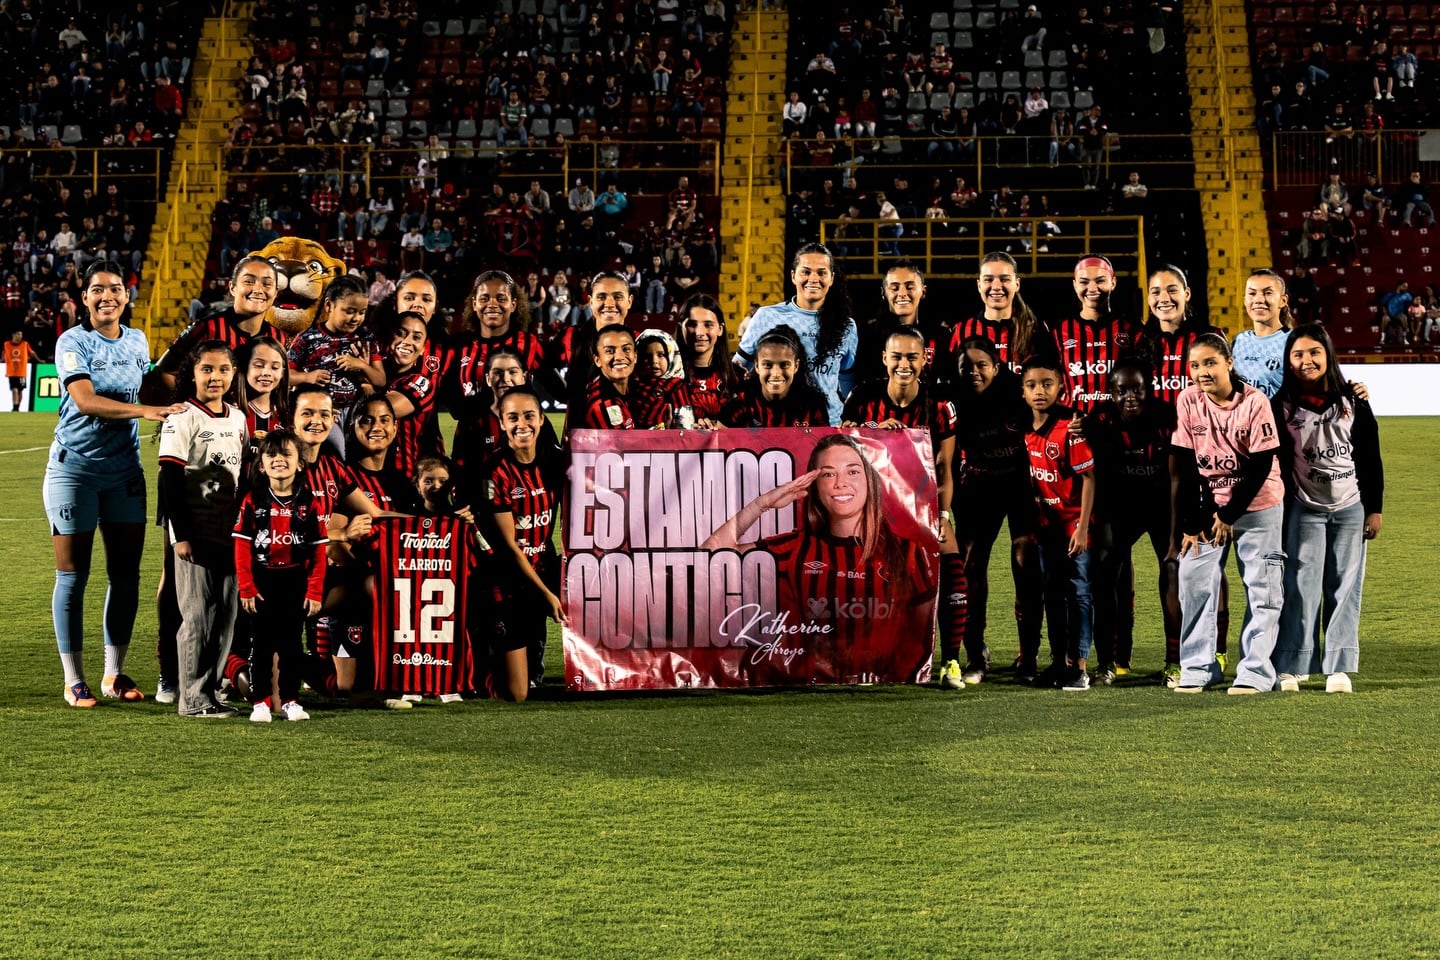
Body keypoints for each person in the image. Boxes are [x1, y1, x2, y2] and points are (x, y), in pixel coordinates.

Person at [45, 261, 187, 708]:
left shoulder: (138, 339)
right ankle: (74, 679)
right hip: (75, 470)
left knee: (125, 576)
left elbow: (149, 384)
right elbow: (85, 400)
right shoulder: (73, 341)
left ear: (127, 297)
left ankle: (113, 673)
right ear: (84, 298)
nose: (107, 296)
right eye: (97, 290)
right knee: (73, 575)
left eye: (115, 289)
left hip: (124, 472)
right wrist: (146, 412)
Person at [701, 433, 936, 683]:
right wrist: (761, 504)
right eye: (828, 474)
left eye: (853, 472)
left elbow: (919, 640)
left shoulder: (907, 552)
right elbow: (709, 554)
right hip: (811, 692)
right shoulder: (795, 548)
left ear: (870, 480)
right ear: (815, 485)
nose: (840, 483)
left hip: (884, 693)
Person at [842, 327, 965, 687]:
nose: (904, 364)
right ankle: (863, 660)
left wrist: (942, 516)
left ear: (925, 359)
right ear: (884, 358)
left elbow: (945, 468)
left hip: (923, 505)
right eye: (896, 356)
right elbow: (843, 450)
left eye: (912, 356)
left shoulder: (940, 404)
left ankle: (951, 663)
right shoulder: (863, 396)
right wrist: (875, 434)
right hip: (872, 509)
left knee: (953, 568)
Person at [1272, 325, 1384, 694]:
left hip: (1351, 507)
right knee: (1300, 587)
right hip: (1304, 508)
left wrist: (1375, 508)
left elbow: (1370, 456)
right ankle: (1293, 664)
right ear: (1289, 360)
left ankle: (1338, 667)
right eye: (1298, 354)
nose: (1307, 361)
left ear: (1328, 355)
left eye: (1314, 352)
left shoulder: (1353, 399)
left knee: (1345, 587)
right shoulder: (1281, 404)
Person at [1172, 334, 1286, 694]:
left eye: (1209, 363)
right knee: (1192, 580)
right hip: (1210, 509)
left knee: (1263, 588)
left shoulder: (1255, 402)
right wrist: (1193, 523)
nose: (1202, 372)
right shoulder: (1188, 400)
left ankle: (1255, 671)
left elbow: (1261, 463)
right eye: (1194, 365)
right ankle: (1198, 667)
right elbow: (1187, 464)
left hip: (1258, 505)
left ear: (1229, 363)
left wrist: (1231, 515)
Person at [157, 341, 247, 717]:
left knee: (226, 612)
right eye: (206, 369)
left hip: (229, 529)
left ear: (232, 374)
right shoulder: (182, 418)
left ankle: (210, 689)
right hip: (194, 529)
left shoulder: (238, 417)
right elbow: (169, 481)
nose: (215, 377)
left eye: (223, 370)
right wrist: (180, 536)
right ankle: (192, 698)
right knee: (197, 614)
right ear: (192, 374)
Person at [951, 336, 1044, 682]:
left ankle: (1028, 658)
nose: (974, 372)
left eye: (981, 365)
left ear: (997, 366)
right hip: (978, 485)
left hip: (1020, 484)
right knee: (970, 564)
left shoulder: (1015, 392)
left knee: (1025, 559)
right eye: (967, 367)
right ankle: (976, 655)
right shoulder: (954, 398)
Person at [1085, 358, 1181, 685]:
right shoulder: (1098, 420)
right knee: (1104, 571)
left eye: (1137, 389)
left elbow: (1176, 474)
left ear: (1149, 390)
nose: (1130, 396)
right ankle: (1107, 663)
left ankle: (1175, 661)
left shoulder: (1167, 416)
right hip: (1119, 507)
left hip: (1160, 505)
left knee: (1172, 568)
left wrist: (1177, 526)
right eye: (1121, 390)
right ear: (1110, 393)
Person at [233, 429, 328, 722]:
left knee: (291, 645)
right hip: (262, 582)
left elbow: (319, 552)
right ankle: (260, 701)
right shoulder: (253, 500)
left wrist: (313, 591)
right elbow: (241, 545)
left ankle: (290, 700)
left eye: (286, 454)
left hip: (294, 583)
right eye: (271, 455)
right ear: (261, 464)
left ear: (300, 462)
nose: (278, 460)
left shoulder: (309, 503)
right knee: (261, 644)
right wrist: (246, 587)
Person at [479, 387, 566, 697]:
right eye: (512, 417)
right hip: (507, 578)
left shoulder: (555, 461)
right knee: (516, 693)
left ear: (542, 420)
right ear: (501, 423)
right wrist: (546, 594)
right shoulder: (495, 472)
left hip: (542, 566)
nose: (522, 424)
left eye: (529, 416)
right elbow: (508, 548)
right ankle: (478, 670)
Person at [1019, 357, 1098, 690]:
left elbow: (1091, 478)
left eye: (1047, 384)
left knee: (1079, 592)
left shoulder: (1070, 428)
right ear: (1022, 391)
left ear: (1061, 388)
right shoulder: (1022, 428)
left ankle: (1079, 666)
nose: (1040, 391)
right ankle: (1057, 662)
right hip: (1046, 528)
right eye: (1032, 385)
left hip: (1074, 527)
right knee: (1052, 593)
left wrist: (1082, 527)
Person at [734, 243, 858, 425]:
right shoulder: (767, 316)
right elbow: (738, 367)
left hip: (830, 424)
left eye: (822, 272)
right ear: (793, 276)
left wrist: (850, 415)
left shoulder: (847, 326)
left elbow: (846, 378)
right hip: (776, 425)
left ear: (831, 278)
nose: (814, 278)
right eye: (806, 272)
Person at [151, 256, 281, 396]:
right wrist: (199, 407)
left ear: (275, 293)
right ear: (232, 287)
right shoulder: (208, 327)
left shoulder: (278, 336)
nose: (258, 289)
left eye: (267, 284)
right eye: (249, 281)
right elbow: (161, 373)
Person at [286, 274, 386, 451]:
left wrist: (361, 365)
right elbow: (284, 376)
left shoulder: (366, 338)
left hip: (357, 415)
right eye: (349, 311)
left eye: (362, 312)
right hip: (323, 416)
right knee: (336, 456)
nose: (356, 318)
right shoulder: (307, 338)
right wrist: (308, 377)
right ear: (329, 305)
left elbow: (380, 380)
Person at [1053, 255, 1143, 413]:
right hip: (1073, 428)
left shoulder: (1131, 328)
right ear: (1075, 285)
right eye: (1084, 282)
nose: (1093, 288)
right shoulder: (1059, 331)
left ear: (1113, 282)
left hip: (1120, 429)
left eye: (1100, 281)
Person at [946, 251, 1055, 376]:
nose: (996, 286)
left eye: (1004, 279)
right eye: (988, 279)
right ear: (979, 285)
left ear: (1017, 284)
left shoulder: (1035, 329)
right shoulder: (961, 330)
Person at [1136, 264, 1224, 407]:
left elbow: (1225, 390)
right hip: (1153, 428)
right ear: (1148, 298)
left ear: (1187, 294)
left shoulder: (1210, 337)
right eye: (1156, 293)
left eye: (1172, 291)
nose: (1164, 298)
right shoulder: (1139, 339)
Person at [859, 260, 953, 386]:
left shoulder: (941, 336)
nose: (902, 293)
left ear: (923, 291)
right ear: (883, 293)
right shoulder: (868, 336)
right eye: (894, 288)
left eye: (910, 287)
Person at [719, 324, 830, 427]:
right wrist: (705, 430)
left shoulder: (813, 404)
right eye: (767, 365)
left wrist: (845, 428)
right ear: (757, 366)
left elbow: (825, 445)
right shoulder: (742, 403)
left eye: (784, 365)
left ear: (796, 366)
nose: (776, 373)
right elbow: (717, 439)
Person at [568, 324, 670, 434]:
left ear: (635, 356)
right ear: (597, 360)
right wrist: (663, 430)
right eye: (610, 351)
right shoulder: (603, 404)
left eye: (626, 349)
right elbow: (625, 447)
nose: (619, 357)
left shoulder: (635, 387)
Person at [381, 310, 443, 477]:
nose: (407, 341)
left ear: (423, 349)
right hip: (364, 477)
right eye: (400, 333)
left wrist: (364, 383)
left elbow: (380, 411)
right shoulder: (376, 373)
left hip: (405, 478)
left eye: (416, 337)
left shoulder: (422, 383)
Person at [346, 394, 423, 515]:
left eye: (384, 420)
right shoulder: (343, 476)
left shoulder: (402, 481)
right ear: (352, 428)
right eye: (366, 421)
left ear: (394, 428)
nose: (376, 427)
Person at [670, 293, 740, 427]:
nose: (699, 332)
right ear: (681, 327)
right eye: (692, 324)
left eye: (708, 325)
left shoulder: (737, 376)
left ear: (720, 329)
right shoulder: (666, 377)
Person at [1233, 269, 1293, 398]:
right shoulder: (1239, 340)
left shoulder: (1293, 341)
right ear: (1245, 300)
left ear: (1283, 300)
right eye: (1252, 293)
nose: (1259, 300)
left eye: (1268, 293)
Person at [5, 329, 31, 410]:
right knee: (14, 389)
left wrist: (39, 360)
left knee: (20, 390)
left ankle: (17, 407)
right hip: (11, 372)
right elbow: (3, 354)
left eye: (21, 334)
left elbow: (31, 353)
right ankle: (15, 407)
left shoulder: (25, 344)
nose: (20, 336)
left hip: (22, 372)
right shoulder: (6, 344)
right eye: (18, 334)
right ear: (13, 335)